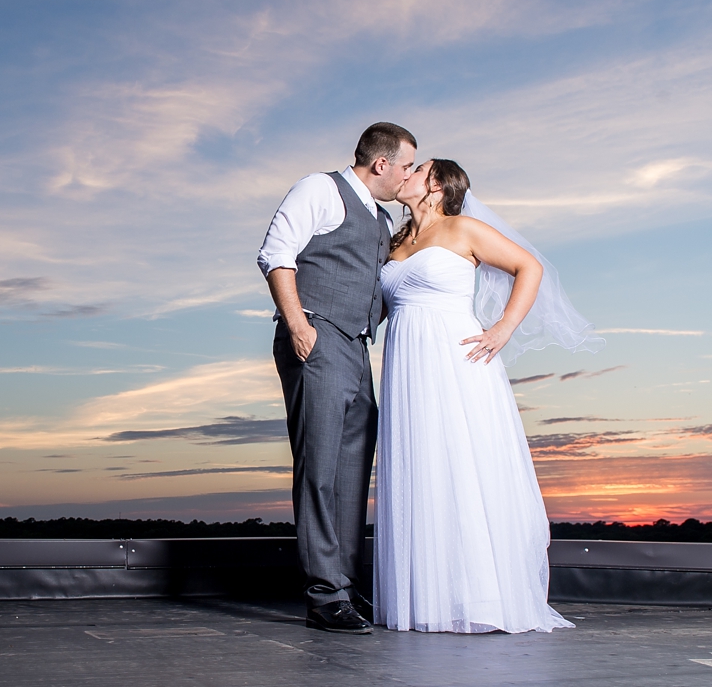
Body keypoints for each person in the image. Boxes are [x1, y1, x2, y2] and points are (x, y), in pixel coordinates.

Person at [375, 158, 603, 634]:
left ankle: (479, 596)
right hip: (406, 366)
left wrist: (502, 329)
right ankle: (428, 597)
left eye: (416, 169)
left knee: (463, 463)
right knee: (423, 467)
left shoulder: (464, 229)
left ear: (435, 184)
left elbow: (529, 267)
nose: (406, 174)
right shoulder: (396, 241)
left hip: (458, 360)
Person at [257, 122, 417, 634]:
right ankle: (325, 595)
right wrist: (299, 325)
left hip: (356, 347)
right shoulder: (319, 189)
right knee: (320, 469)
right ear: (381, 164)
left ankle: (346, 585)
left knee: (351, 475)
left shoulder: (381, 216)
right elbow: (275, 253)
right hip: (318, 335)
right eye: (407, 165)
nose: (409, 174)